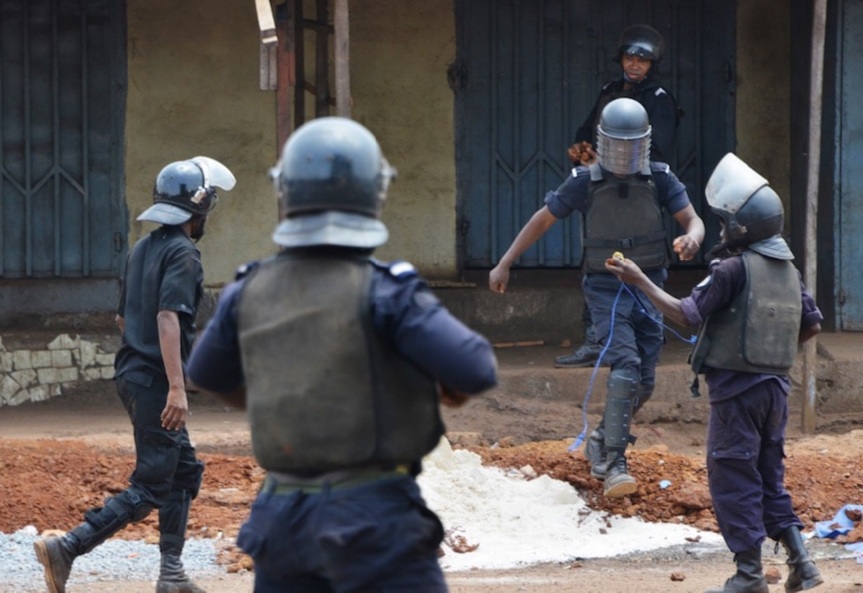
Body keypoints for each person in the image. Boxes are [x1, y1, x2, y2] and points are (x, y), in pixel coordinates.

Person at [185, 116, 498, 592]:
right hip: (373, 519)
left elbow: (206, 371)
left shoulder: (248, 288)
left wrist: (289, 399)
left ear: (284, 193)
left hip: (281, 519)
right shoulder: (387, 290)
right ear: (376, 193)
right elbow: (475, 368)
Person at [605, 153, 824, 593]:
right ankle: (802, 562)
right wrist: (770, 352)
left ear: (740, 230)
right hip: (775, 389)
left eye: (725, 224)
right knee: (767, 476)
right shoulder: (788, 270)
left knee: (733, 476)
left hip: (736, 393)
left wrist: (640, 280)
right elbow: (812, 324)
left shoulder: (731, 268)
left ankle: (748, 576)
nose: (721, 232)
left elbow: (687, 315)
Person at [33, 156, 236, 593]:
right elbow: (168, 317)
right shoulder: (184, 253)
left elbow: (124, 320)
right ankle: (67, 547)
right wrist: (177, 387)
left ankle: (171, 573)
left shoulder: (143, 247)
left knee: (184, 471)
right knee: (150, 485)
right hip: (157, 384)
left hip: (131, 373)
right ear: (199, 209)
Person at [489, 97, 704, 498]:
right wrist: (505, 262)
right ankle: (613, 461)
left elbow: (692, 218)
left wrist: (692, 236)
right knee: (625, 364)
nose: (624, 154)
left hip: (648, 286)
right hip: (604, 289)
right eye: (616, 146)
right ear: (603, 143)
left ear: (645, 143)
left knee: (646, 381)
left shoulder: (660, 178)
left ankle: (602, 439)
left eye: (632, 145)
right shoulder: (584, 181)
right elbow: (543, 219)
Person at [558, 23, 682, 369]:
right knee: (597, 260)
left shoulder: (659, 100)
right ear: (621, 59)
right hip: (601, 191)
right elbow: (585, 133)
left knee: (642, 258)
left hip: (641, 193)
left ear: (652, 64)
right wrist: (588, 159)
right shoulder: (610, 90)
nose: (635, 65)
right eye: (630, 57)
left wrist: (618, 166)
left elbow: (659, 152)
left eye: (642, 61)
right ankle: (596, 340)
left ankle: (640, 342)